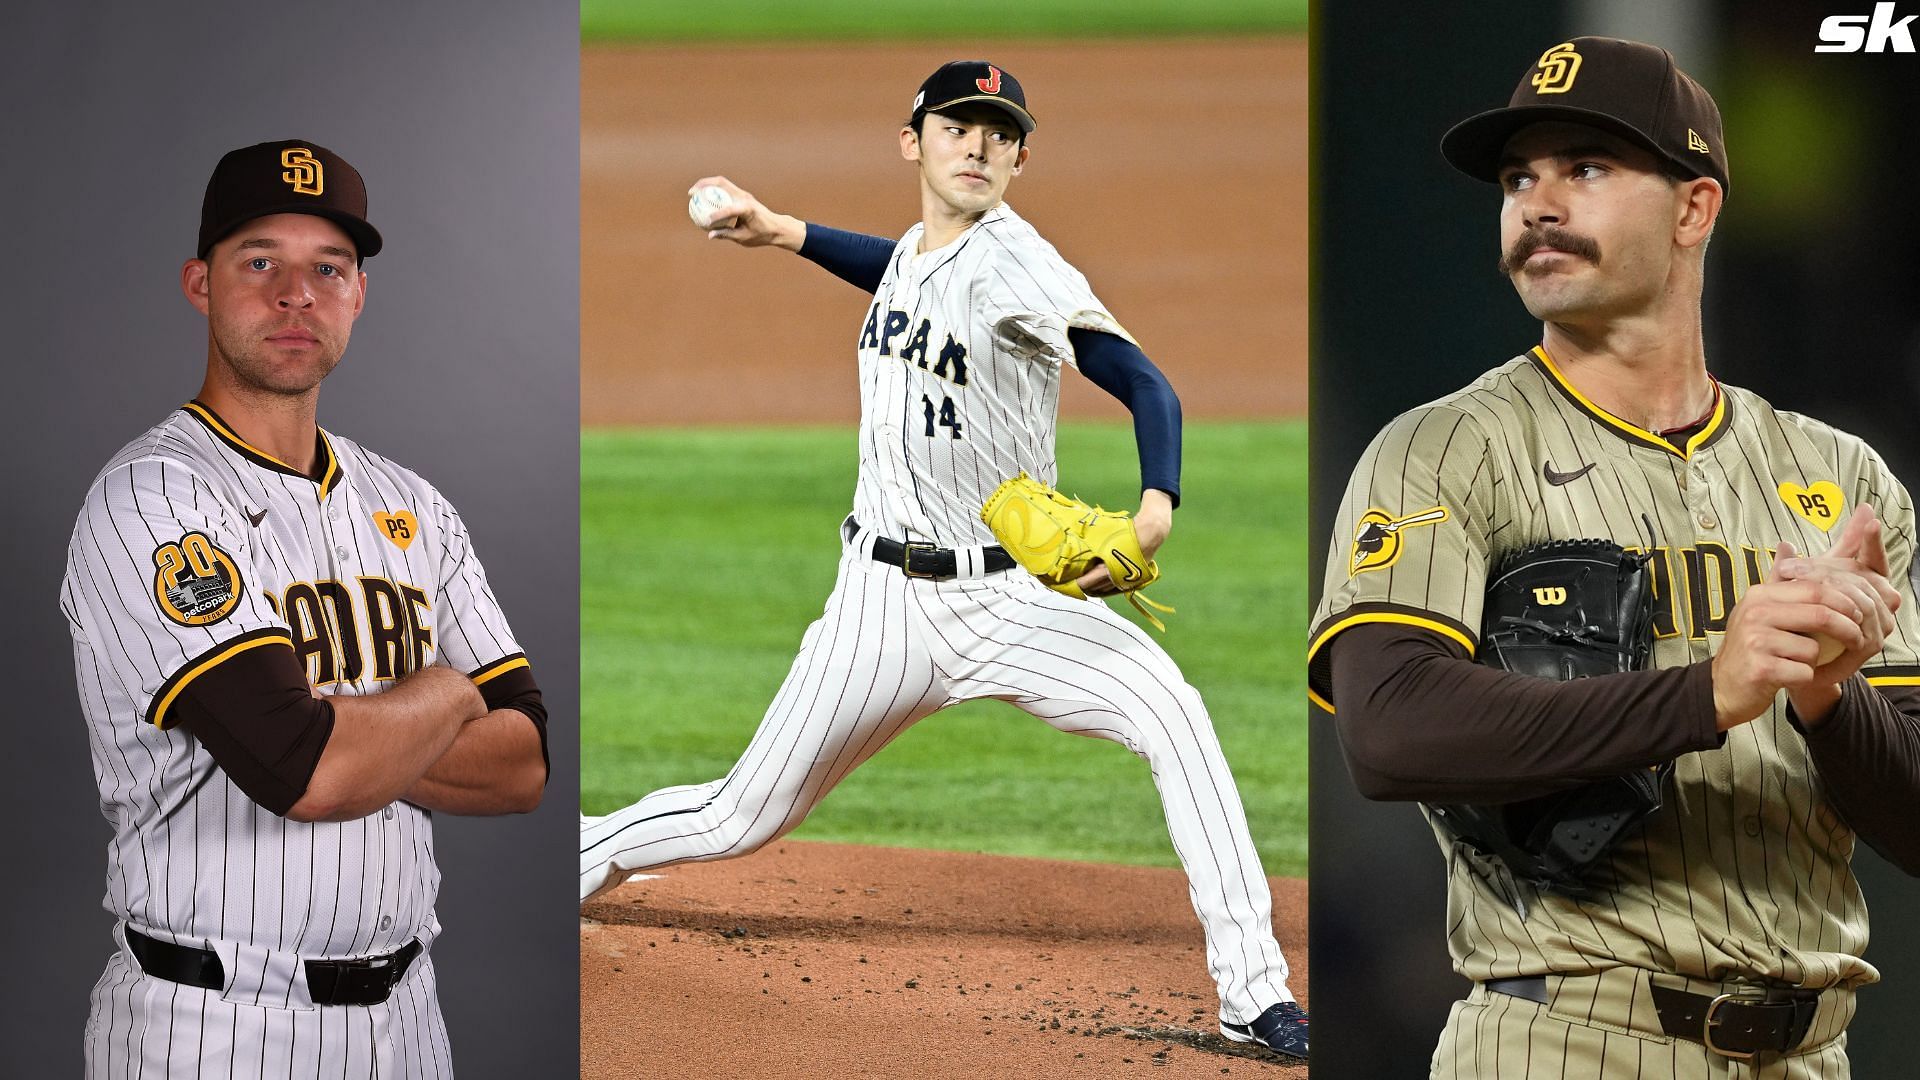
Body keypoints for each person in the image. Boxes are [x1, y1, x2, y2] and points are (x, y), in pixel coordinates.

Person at [579, 60, 1306, 1058]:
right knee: (737, 815)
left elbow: (1144, 381)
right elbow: (904, 267)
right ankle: (568, 860)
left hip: (1011, 606)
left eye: (999, 134)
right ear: (912, 140)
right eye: (958, 127)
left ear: (1018, 156)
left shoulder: (1021, 264)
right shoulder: (925, 249)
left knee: (1171, 712)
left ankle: (1253, 994)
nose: (978, 146)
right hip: (876, 606)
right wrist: (787, 233)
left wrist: (1154, 509)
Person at [1311, 37, 1920, 1077]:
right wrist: (1707, 693)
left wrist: (1830, 696)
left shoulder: (1841, 474)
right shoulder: (1444, 450)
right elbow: (1389, 727)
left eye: (1585, 168)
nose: (1538, 204)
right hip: (1564, 1038)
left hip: (1815, 1051)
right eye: (1518, 178)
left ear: (1695, 209)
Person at [61, 140, 549, 1077]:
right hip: (211, 1027)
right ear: (200, 283)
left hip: (409, 1024)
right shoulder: (154, 499)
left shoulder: (410, 502)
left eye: (328, 267)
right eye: (261, 263)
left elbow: (523, 762)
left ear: (358, 295)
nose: (297, 294)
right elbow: (305, 770)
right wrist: (447, 689)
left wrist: (349, 733)